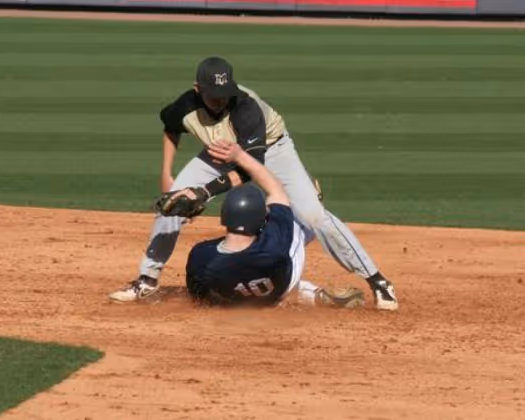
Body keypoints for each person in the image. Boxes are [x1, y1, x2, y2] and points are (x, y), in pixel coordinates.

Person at [109, 56, 398, 311]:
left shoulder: (246, 107)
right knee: (173, 203)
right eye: (213, 96)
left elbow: (249, 169)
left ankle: (378, 281)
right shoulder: (185, 105)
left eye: (225, 94)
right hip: (219, 150)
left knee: (313, 215)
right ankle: (147, 280)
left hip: (270, 151)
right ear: (198, 90)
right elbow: (170, 128)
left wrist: (205, 192)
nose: (221, 100)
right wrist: (167, 173)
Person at [185, 141, 364, 309]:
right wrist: (240, 156)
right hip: (280, 288)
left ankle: (310, 294)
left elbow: (198, 295)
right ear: (261, 220)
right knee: (303, 221)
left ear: (225, 216)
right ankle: (305, 295)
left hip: (235, 297)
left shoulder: (201, 253)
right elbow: (277, 191)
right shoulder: (273, 242)